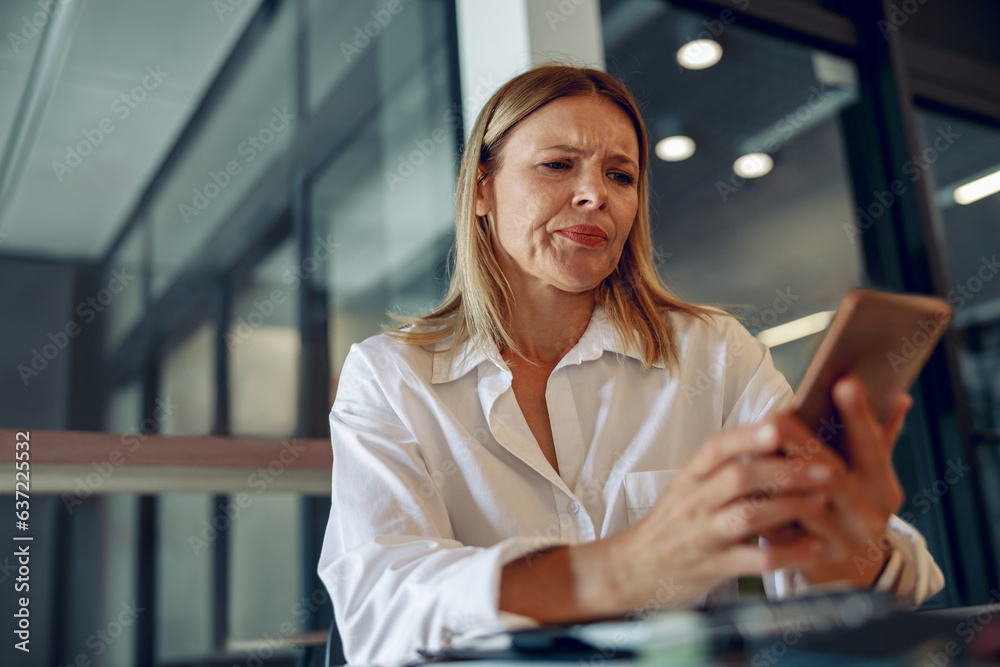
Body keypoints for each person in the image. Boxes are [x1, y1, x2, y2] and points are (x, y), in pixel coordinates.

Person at [317, 64, 944, 665]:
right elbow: (382, 605)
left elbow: (840, 580)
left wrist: (853, 549)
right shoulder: (392, 376)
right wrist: (616, 569)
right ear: (482, 189)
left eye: (621, 175)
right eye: (558, 165)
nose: (595, 194)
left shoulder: (714, 353)